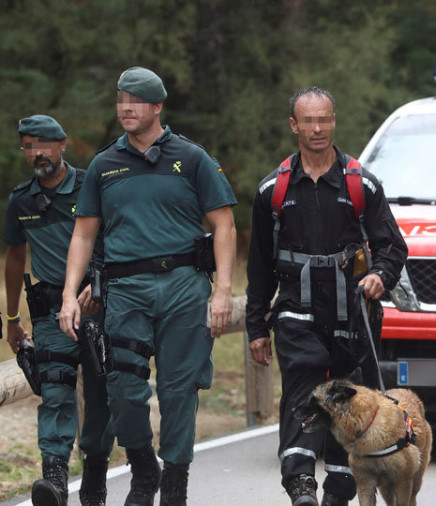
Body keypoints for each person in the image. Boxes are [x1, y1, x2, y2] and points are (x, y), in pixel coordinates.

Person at [58, 67, 237, 506]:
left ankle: (174, 486)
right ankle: (142, 466)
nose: (126, 108)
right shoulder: (104, 165)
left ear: (157, 107)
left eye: (135, 101)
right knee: (122, 389)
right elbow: (83, 234)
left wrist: (223, 290)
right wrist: (68, 294)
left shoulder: (191, 158)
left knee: (179, 392)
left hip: (183, 287)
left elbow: (224, 223)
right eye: (121, 101)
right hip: (126, 289)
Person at [245, 87, 407, 506]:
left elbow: (393, 246)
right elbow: (260, 264)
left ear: (334, 122)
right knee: (304, 386)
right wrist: (256, 327)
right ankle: (300, 485)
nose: (317, 128)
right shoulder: (272, 191)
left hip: (353, 312)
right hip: (296, 310)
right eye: (308, 121)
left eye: (325, 120)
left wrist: (379, 276)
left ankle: (338, 492)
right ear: (294, 125)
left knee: (347, 398)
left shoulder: (362, 185)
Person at [5, 115, 115, 506]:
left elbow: (116, 234)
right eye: (28, 146)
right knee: (54, 387)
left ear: (62, 145)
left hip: (100, 307)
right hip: (51, 314)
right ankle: (54, 477)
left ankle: (96, 477)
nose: (36, 153)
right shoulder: (21, 200)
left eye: (43, 144)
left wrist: (99, 281)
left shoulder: (92, 185)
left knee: (103, 395)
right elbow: (15, 258)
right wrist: (13, 318)